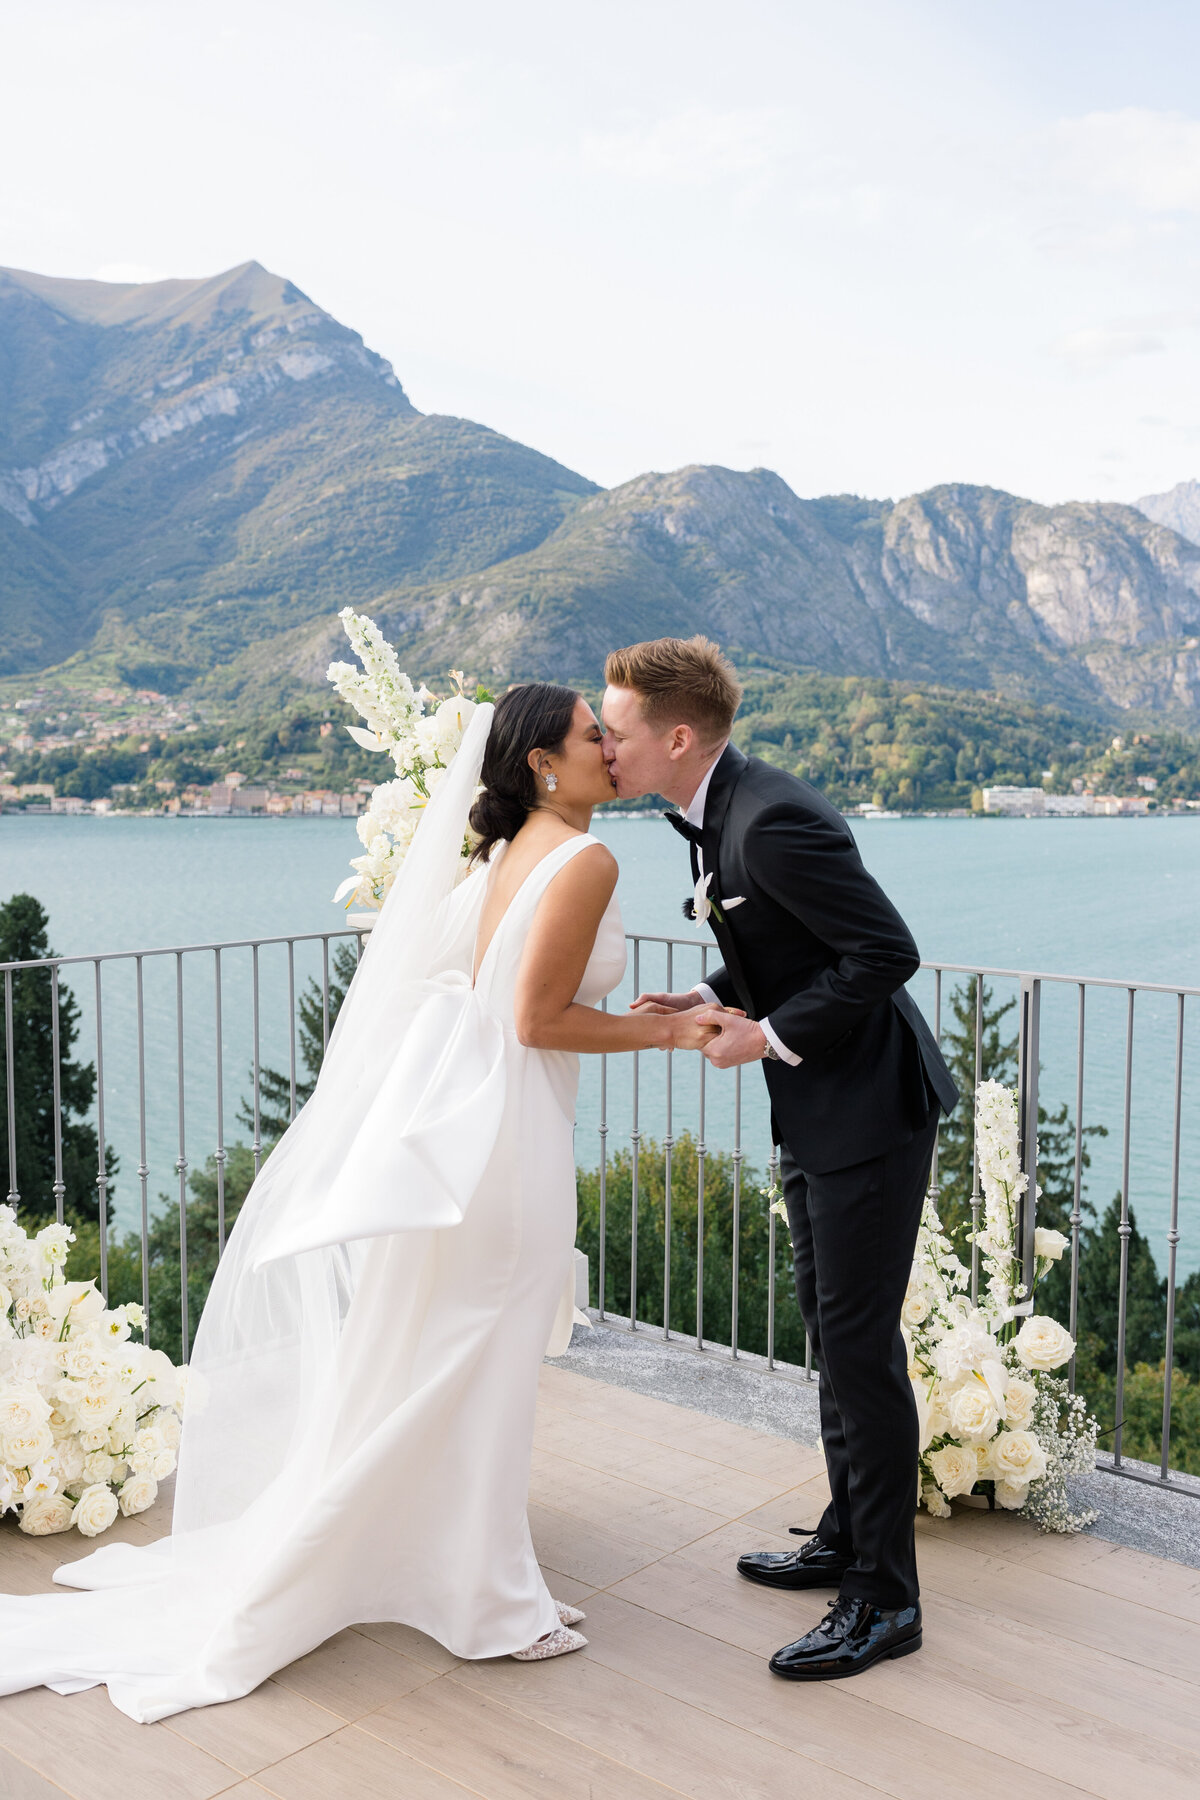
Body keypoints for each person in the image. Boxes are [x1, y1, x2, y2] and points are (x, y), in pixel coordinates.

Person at [0, 684, 716, 1721]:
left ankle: (453, 1572)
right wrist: (674, 1032)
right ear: (541, 768)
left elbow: (500, 992)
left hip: (470, 1135)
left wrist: (634, 1012)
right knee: (481, 1363)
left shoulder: (499, 856)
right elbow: (532, 1019)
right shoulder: (587, 855)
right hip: (507, 1138)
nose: (611, 749)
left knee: (446, 1357)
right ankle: (487, 1598)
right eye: (589, 738)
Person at [601, 636, 958, 1682]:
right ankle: (849, 1534)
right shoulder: (718, 811)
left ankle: (886, 1601)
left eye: (614, 730)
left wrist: (766, 1035)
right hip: (817, 1111)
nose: (602, 744)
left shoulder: (773, 817)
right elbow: (791, 947)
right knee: (831, 1335)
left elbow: (885, 952)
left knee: (861, 1354)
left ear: (674, 735)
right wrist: (714, 997)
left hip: (869, 1115)